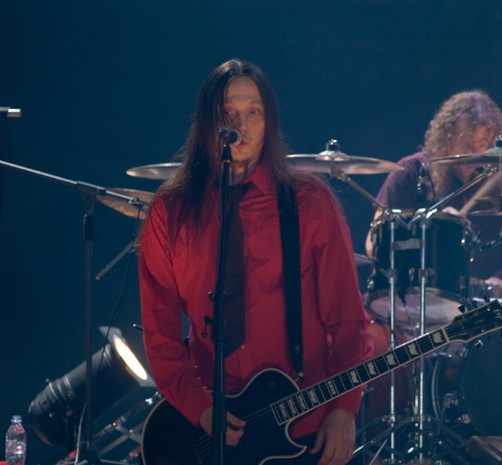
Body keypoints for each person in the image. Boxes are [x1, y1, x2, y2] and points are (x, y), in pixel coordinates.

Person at [138, 58, 373, 465]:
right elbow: (160, 334)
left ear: (269, 122)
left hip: (302, 425)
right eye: (227, 113)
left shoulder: (309, 202)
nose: (240, 126)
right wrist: (200, 407)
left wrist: (344, 410)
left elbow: (348, 319)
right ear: (207, 123)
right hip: (210, 428)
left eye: (254, 112)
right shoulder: (171, 210)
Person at [365, 90, 502, 300]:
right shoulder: (411, 170)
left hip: (487, 303)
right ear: (446, 137)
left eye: (484, 145)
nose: (476, 153)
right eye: (467, 145)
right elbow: (374, 243)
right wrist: (433, 229)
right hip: (417, 297)